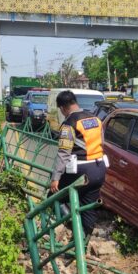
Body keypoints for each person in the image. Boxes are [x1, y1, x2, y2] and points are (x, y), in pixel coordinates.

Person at [50, 90, 107, 235]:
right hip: (99, 169)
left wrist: (55, 178)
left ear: (63, 108)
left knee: (53, 197)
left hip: (81, 172)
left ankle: (72, 226)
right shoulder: (95, 119)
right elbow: (102, 142)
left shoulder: (69, 124)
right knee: (87, 207)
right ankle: (83, 244)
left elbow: (64, 153)